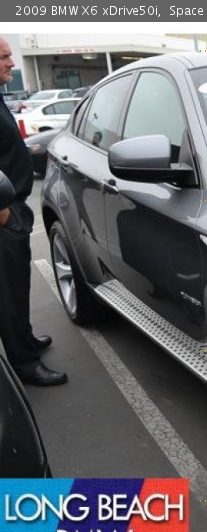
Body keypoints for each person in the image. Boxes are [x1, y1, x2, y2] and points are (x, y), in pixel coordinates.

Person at [0, 37, 67, 386]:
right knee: (8, 292)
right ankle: (25, 364)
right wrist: (2, 209)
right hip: (3, 210)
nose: (12, 63)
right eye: (4, 57)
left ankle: (24, 340)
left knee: (19, 283)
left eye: (11, 55)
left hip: (13, 205)